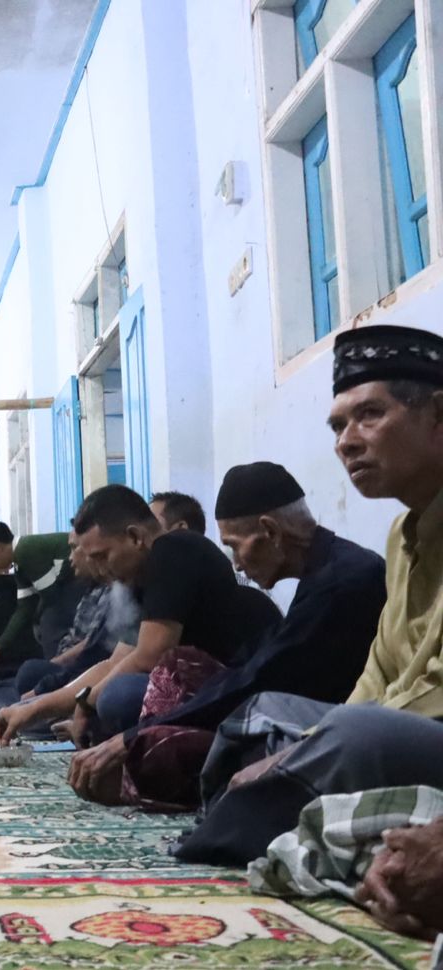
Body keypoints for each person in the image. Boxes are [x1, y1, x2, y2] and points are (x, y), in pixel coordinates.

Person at [177, 326, 443, 864]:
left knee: (349, 732)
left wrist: (314, 745)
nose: (346, 441)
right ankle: (301, 824)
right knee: (269, 713)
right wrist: (310, 744)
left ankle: (255, 832)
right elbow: (379, 672)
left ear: (437, 414)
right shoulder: (402, 535)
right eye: (338, 425)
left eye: (370, 415)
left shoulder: (349, 573)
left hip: (413, 732)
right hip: (385, 729)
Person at [66, 463, 386, 807]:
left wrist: (132, 738)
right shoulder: (328, 572)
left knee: (170, 748)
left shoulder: (342, 582)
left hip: (342, 727)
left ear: (270, 532)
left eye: (234, 546)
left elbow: (259, 682)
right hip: (289, 705)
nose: (236, 564)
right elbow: (247, 669)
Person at [0, 486, 281, 745]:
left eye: (102, 556)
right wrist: (34, 708)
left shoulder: (173, 550)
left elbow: (148, 658)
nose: (100, 569)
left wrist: (85, 704)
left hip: (243, 685)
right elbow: (115, 662)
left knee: (119, 696)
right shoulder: (139, 580)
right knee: (102, 694)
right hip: (204, 688)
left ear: (135, 537)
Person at [11, 532, 141, 699]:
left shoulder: (124, 593)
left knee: (116, 696)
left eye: (74, 548)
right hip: (80, 668)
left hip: (86, 670)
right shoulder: (95, 588)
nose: (69, 558)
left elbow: (94, 655)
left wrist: (45, 694)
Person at [0, 520, 82, 665]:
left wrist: (36, 618)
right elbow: (24, 608)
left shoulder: (25, 551)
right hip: (68, 584)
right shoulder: (19, 563)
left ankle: (57, 669)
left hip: (77, 578)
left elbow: (51, 596)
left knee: (49, 620)